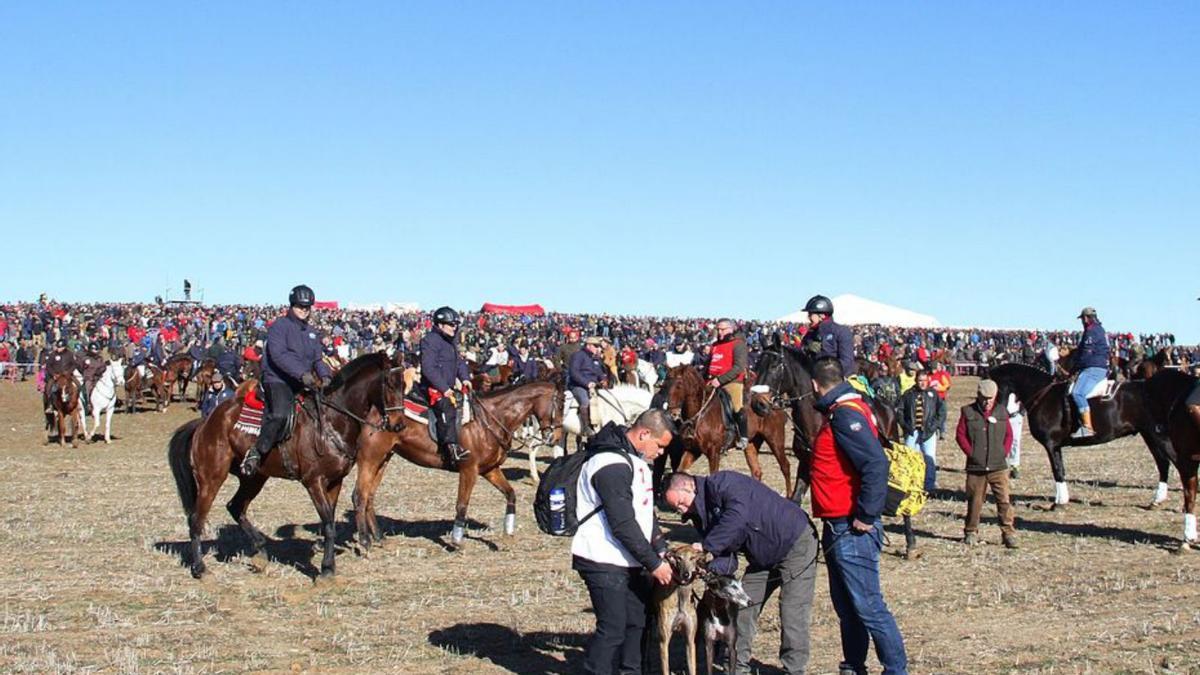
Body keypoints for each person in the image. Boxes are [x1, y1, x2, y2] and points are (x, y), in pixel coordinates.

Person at [663, 470, 817, 674]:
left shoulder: (724, 483)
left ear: (689, 486)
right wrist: (709, 571)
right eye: (676, 509)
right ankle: (735, 667)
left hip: (795, 540)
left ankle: (793, 669)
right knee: (742, 606)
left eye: (681, 503)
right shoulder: (701, 517)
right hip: (762, 555)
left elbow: (737, 517)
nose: (682, 511)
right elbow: (728, 558)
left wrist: (707, 546)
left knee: (792, 610)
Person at [809, 356, 907, 675]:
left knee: (868, 606)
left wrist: (865, 514)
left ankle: (895, 669)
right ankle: (853, 665)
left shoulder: (845, 416)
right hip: (837, 524)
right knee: (849, 608)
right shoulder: (844, 410)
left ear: (815, 384)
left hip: (851, 527)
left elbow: (875, 464)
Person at [572, 410, 675, 675]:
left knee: (636, 625)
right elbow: (622, 523)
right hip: (603, 559)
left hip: (630, 559)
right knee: (613, 630)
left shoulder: (633, 461)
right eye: (660, 445)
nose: (661, 453)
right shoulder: (609, 463)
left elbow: (643, 512)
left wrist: (660, 548)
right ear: (643, 434)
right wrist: (653, 563)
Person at [239, 285, 332, 476]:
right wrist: (301, 374)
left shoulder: (312, 332)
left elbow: (317, 359)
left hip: (302, 380)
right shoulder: (279, 327)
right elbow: (278, 355)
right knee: (280, 414)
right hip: (277, 379)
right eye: (300, 306)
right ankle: (257, 451)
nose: (303, 310)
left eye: (307, 307)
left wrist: (326, 375)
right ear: (292, 306)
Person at [955, 379, 1017, 548]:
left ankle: (1008, 533)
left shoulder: (1002, 412)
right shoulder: (967, 411)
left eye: (990, 398)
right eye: (984, 398)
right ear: (978, 396)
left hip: (999, 466)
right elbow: (960, 435)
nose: (987, 402)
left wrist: (1003, 452)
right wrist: (972, 453)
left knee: (1004, 501)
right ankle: (970, 531)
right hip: (976, 467)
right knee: (974, 502)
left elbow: (1009, 436)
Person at [419, 306, 470, 463]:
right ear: (440, 325)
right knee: (447, 407)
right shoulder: (430, 341)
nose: (454, 328)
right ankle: (451, 449)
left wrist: (465, 378)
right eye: (451, 324)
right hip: (433, 387)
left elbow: (459, 362)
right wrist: (444, 388)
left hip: (448, 386)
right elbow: (428, 368)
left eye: (456, 325)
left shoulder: (450, 342)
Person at [899, 369, 945, 493]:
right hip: (912, 431)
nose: (923, 383)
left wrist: (934, 426)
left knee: (929, 459)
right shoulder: (908, 394)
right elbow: (900, 411)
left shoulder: (933, 394)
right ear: (916, 380)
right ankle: (910, 483)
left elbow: (941, 412)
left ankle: (929, 486)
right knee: (909, 458)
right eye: (920, 380)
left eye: (925, 380)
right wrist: (905, 425)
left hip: (928, 432)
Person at [708, 318, 750, 450]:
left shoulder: (738, 344)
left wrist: (720, 380)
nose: (720, 332)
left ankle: (743, 436)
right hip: (711, 380)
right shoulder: (714, 345)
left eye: (723, 329)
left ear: (731, 329)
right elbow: (709, 364)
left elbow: (738, 367)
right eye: (718, 329)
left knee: (736, 407)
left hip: (731, 382)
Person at [1070, 307, 1110, 438]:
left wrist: (1075, 368)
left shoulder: (1091, 331)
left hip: (1093, 367)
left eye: (1082, 319)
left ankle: (1087, 427)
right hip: (1102, 365)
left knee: (1077, 393)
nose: (1082, 321)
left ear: (1086, 318)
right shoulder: (1100, 329)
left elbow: (1086, 354)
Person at [800, 295, 856, 376]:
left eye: (810, 314)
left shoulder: (841, 331)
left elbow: (847, 363)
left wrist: (824, 371)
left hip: (836, 379)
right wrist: (806, 348)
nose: (808, 317)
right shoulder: (810, 335)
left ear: (822, 315)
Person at [569, 337, 608, 438]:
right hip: (578, 386)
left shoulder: (595, 358)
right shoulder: (578, 356)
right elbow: (574, 372)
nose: (597, 348)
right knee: (585, 401)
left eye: (598, 346)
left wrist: (603, 379)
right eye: (596, 346)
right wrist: (587, 383)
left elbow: (599, 371)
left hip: (594, 386)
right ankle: (586, 427)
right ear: (589, 345)